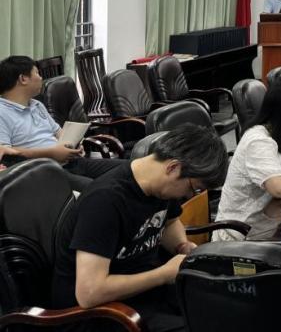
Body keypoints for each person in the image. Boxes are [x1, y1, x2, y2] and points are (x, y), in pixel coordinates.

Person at [52, 124, 229, 332]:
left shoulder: (160, 185)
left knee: (227, 306)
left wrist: (181, 246)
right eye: (193, 188)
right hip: (101, 312)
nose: (189, 196)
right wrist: (163, 274)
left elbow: (169, 222)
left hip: (142, 288)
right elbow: (89, 294)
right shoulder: (105, 201)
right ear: (173, 167)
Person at [214, 76, 281, 240]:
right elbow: (279, 188)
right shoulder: (259, 141)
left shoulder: (274, 131)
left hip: (263, 223)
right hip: (239, 236)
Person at [0, 55, 126, 191]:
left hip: (70, 161)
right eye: (37, 73)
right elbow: (8, 155)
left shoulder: (37, 105)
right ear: (23, 79)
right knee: (99, 189)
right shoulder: (2, 112)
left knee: (130, 169)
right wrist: (52, 153)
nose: (41, 78)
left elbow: (59, 132)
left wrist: (74, 144)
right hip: (44, 172)